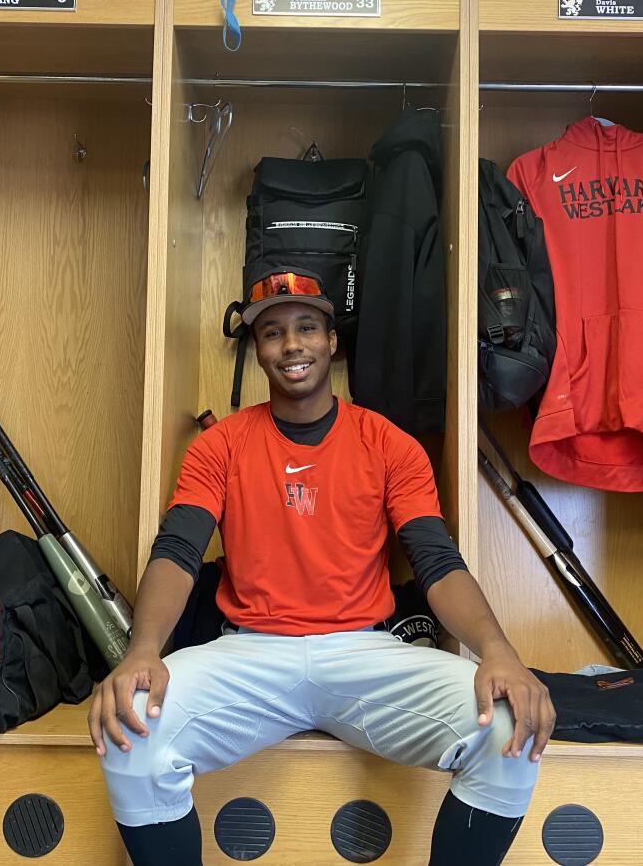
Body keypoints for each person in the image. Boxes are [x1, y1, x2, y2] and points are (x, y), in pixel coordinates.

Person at [88, 271, 555, 865]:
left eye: (307, 328)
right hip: (251, 654)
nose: (291, 345)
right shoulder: (220, 446)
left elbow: (437, 561)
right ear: (257, 350)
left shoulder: (389, 443)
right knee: (129, 734)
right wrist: (142, 651)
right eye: (273, 333)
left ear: (332, 342)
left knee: (508, 726)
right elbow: (178, 550)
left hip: (362, 652)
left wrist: (497, 650)